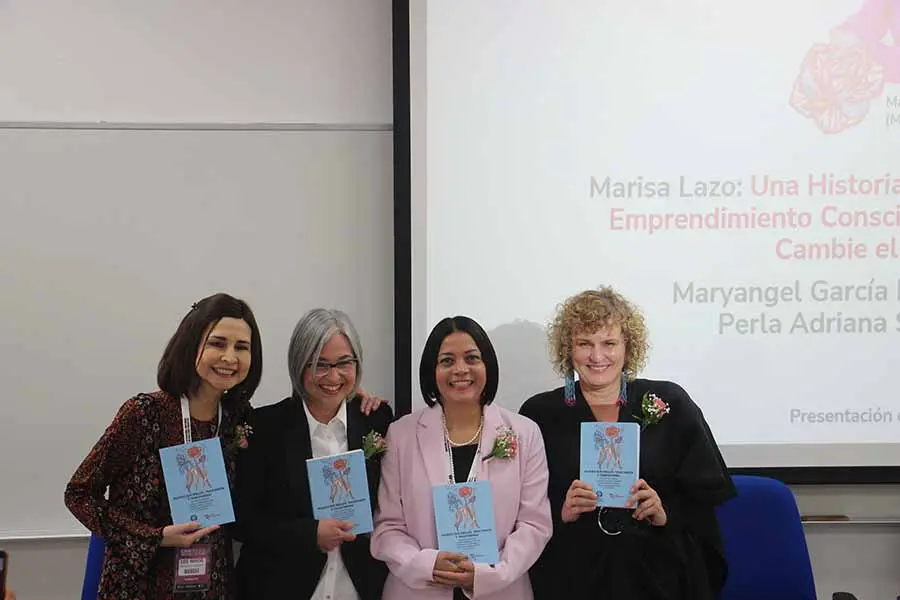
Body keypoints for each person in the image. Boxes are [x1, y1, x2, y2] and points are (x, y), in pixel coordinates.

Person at [519, 287, 737, 600]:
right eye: (584, 344)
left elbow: (705, 504)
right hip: (571, 574)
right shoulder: (539, 414)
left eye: (609, 343)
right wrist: (560, 512)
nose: (597, 356)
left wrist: (664, 512)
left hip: (656, 573)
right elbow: (518, 509)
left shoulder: (670, 403)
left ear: (628, 347)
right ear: (568, 350)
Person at [65, 293, 264, 599]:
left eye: (242, 347)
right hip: (139, 586)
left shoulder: (239, 419)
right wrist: (155, 537)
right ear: (191, 345)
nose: (229, 357)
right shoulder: (144, 414)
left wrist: (353, 399)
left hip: (213, 585)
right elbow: (79, 495)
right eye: (217, 343)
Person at [371, 316, 552, 600]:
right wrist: (427, 565)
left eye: (471, 358)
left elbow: (534, 524)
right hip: (419, 591)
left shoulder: (524, 433)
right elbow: (388, 528)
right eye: (447, 361)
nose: (460, 370)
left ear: (487, 366)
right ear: (432, 371)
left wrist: (491, 573)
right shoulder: (401, 435)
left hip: (501, 590)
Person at [233, 308, 393, 600]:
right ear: (299, 364)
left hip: (359, 586)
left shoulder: (376, 419)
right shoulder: (265, 427)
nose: (333, 376)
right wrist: (310, 534)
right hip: (283, 586)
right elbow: (244, 521)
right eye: (320, 364)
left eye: (344, 363)